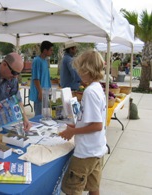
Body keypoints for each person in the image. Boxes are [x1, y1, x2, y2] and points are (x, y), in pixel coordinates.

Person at [59, 50, 107, 195]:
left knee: (72, 189)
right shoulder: (97, 87)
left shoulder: (90, 92)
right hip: (96, 149)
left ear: (87, 69)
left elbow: (97, 125)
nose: (78, 72)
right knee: (93, 187)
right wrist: (76, 125)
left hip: (85, 153)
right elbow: (91, 120)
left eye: (80, 69)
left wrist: (72, 131)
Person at [29, 41, 54, 116]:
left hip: (45, 91)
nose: (52, 52)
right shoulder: (37, 61)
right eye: (51, 50)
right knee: (38, 115)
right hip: (39, 92)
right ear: (45, 50)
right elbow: (36, 78)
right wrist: (40, 92)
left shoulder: (45, 61)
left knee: (44, 115)